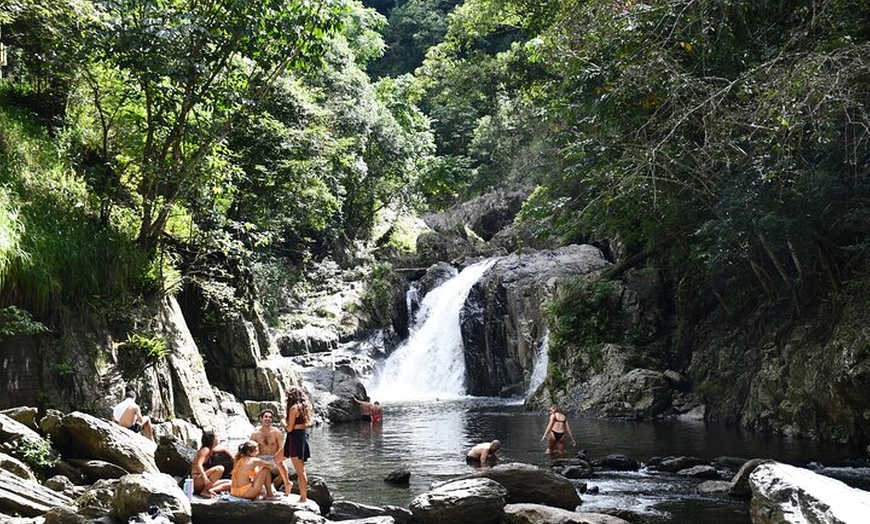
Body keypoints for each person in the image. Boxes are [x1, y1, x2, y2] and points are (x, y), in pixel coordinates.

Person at [250, 409, 292, 495]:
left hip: (274, 459)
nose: (268, 419)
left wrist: (281, 461)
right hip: (260, 459)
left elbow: (282, 448)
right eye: (266, 417)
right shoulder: (255, 434)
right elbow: (250, 452)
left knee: (285, 472)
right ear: (261, 418)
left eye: (270, 417)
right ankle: (258, 487)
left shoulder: (276, 433)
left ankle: (272, 486)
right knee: (251, 472)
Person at [283, 386, 313, 502]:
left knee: (300, 471)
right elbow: (309, 423)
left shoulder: (294, 408)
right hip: (301, 438)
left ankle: (303, 498)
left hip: (294, 440)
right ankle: (287, 483)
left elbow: (289, 429)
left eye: (287, 397)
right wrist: (299, 426)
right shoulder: (305, 406)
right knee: (277, 459)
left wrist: (282, 422)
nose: (286, 399)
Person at [190, 430, 232, 498]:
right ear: (212, 439)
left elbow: (224, 450)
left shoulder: (210, 450)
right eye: (216, 438)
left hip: (204, 482)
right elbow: (199, 464)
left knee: (230, 483)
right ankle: (205, 491)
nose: (217, 440)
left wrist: (233, 458)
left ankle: (210, 490)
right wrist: (205, 479)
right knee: (220, 468)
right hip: (198, 480)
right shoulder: (205, 450)